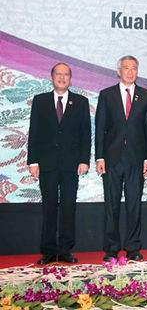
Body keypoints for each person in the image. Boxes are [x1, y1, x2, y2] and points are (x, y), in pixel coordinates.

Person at [27, 63, 91, 264]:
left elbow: (85, 134)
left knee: (68, 207)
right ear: (52, 77)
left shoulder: (81, 102)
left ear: (70, 78)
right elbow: (34, 131)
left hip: (71, 165)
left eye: (66, 75)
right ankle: (48, 251)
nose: (62, 78)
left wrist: (84, 160)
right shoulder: (40, 101)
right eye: (58, 74)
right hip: (47, 164)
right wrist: (33, 161)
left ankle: (65, 250)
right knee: (49, 207)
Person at [95, 55, 147, 261]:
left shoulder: (146, 96)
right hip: (111, 159)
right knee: (111, 205)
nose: (130, 72)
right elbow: (100, 127)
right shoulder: (107, 94)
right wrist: (99, 157)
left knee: (134, 205)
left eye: (134, 68)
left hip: (136, 160)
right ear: (118, 71)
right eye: (126, 68)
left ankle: (133, 248)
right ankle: (111, 248)